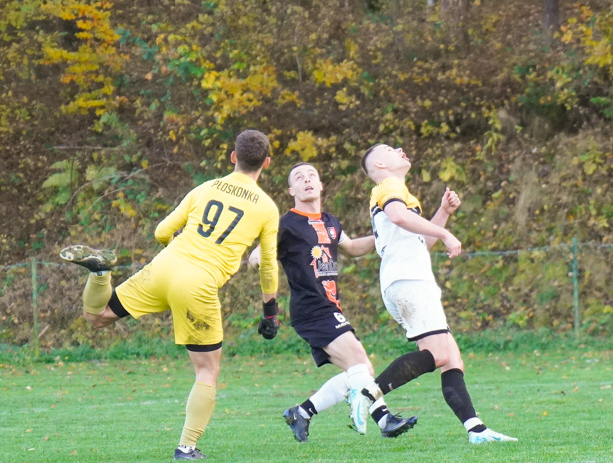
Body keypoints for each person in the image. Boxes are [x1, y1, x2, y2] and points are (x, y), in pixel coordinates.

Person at [59, 129, 282, 460]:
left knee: (99, 315)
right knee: (207, 371)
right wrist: (270, 312)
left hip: (165, 264)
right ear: (266, 162)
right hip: (199, 283)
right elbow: (267, 266)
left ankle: (101, 272)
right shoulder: (266, 207)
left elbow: (162, 231)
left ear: (233, 157)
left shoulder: (205, 188)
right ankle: (186, 447)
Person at [349, 143, 517, 444]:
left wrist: (443, 213)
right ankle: (368, 395)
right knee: (439, 354)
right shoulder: (388, 186)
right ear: (380, 166)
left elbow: (419, 243)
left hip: (408, 279)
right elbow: (399, 216)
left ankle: (476, 430)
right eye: (389, 148)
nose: (399, 148)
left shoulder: (397, 191)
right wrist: (446, 233)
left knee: (451, 357)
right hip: (408, 280)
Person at [248, 162, 417, 441]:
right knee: (360, 364)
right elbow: (258, 255)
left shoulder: (331, 222)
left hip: (330, 307)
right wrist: (258, 259)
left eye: (312, 175)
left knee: (361, 370)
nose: (307, 180)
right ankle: (385, 420)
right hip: (311, 308)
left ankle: (302, 412)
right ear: (292, 190)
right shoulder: (286, 224)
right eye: (299, 178)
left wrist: (389, 236)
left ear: (321, 185)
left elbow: (351, 248)